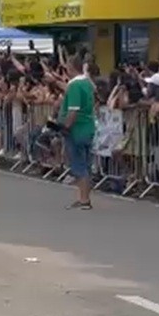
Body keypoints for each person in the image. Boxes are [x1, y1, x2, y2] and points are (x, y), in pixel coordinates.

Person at [59, 55, 97, 210]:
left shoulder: (74, 85)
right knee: (86, 164)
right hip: (88, 127)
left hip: (77, 129)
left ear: (71, 67)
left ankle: (84, 199)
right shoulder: (88, 83)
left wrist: (65, 127)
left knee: (79, 164)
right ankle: (84, 197)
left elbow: (73, 110)